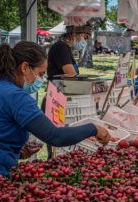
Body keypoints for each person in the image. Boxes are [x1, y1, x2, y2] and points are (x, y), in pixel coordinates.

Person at [0, 41, 111, 193]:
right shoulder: (15, 96)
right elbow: (55, 136)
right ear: (25, 67)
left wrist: (17, 152)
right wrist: (93, 128)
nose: (41, 79)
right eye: (40, 74)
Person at [42, 24, 91, 159]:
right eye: (85, 38)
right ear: (75, 34)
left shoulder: (67, 49)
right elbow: (71, 74)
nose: (85, 42)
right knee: (57, 148)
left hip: (63, 99)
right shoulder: (61, 47)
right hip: (56, 100)